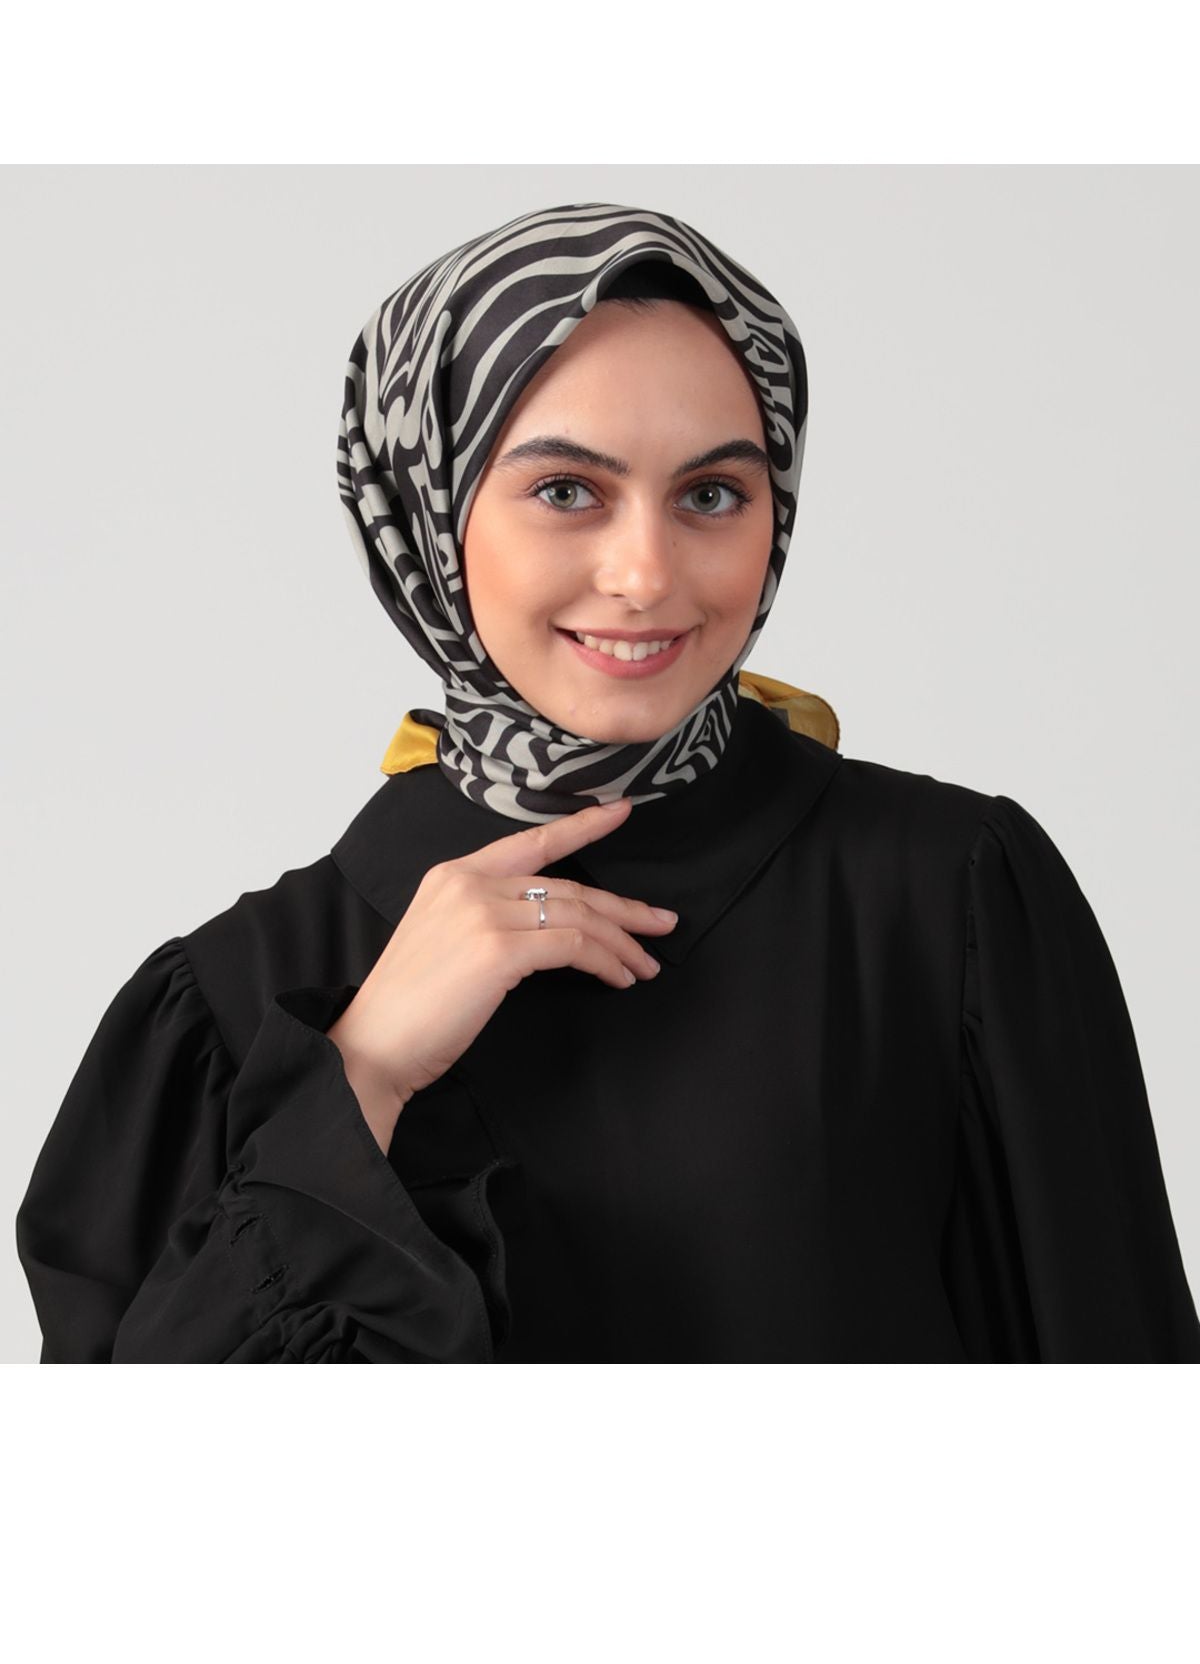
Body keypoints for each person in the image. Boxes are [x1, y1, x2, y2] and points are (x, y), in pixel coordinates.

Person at [15, 201, 1200, 1363]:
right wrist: (361, 1075)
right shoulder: (232, 1001)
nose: (645, 575)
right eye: (566, 491)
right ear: (425, 513)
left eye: (711, 495)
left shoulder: (949, 901)